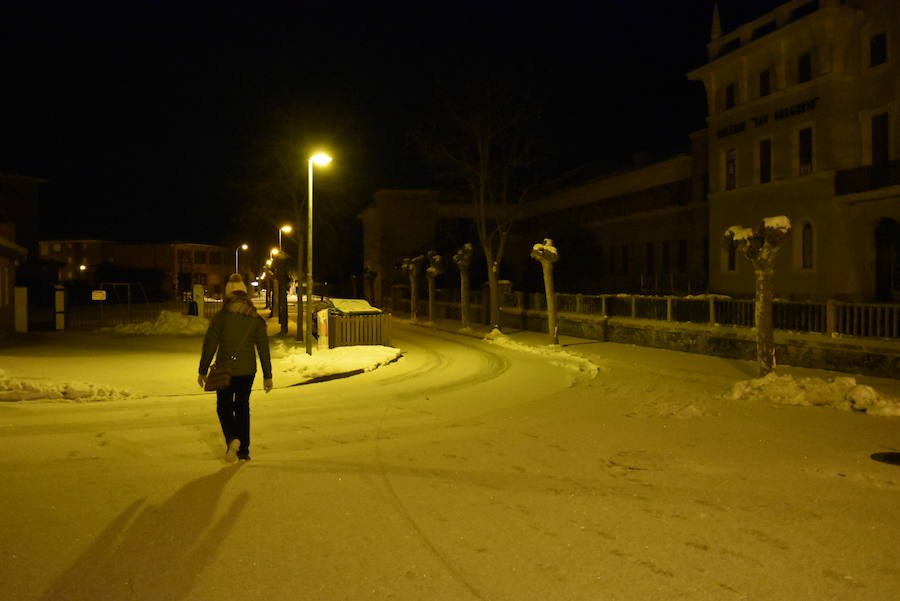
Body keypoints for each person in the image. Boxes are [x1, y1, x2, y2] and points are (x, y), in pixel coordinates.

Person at [198, 273, 273, 462]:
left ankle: (232, 438)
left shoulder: (222, 316)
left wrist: (202, 369)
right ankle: (244, 451)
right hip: (247, 371)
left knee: (223, 406)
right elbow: (263, 348)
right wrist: (268, 375)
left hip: (225, 370)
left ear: (228, 293)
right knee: (242, 408)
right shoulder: (255, 318)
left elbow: (210, 343)